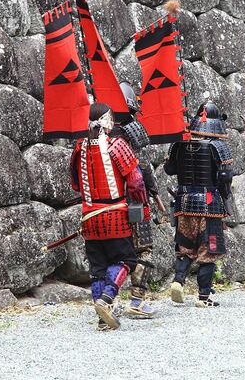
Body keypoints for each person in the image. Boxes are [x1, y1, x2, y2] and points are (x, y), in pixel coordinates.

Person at [70, 103, 145, 330]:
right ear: (106, 120)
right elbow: (136, 181)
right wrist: (139, 202)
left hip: (89, 216)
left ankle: (103, 319)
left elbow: (75, 184)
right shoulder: (117, 145)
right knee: (126, 260)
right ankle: (107, 298)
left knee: (98, 267)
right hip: (115, 215)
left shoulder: (79, 147)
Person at [164, 101, 233, 307]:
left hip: (184, 202)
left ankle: (178, 281)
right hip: (209, 205)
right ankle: (203, 297)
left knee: (185, 248)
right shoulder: (218, 146)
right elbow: (224, 177)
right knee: (208, 251)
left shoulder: (178, 143)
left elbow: (169, 170)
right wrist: (225, 197)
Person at [114, 82, 160, 319]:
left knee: (111, 252)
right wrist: (154, 192)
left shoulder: (96, 133)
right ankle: (136, 300)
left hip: (106, 203)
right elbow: (141, 168)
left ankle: (106, 297)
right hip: (134, 200)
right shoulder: (132, 131)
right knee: (144, 251)